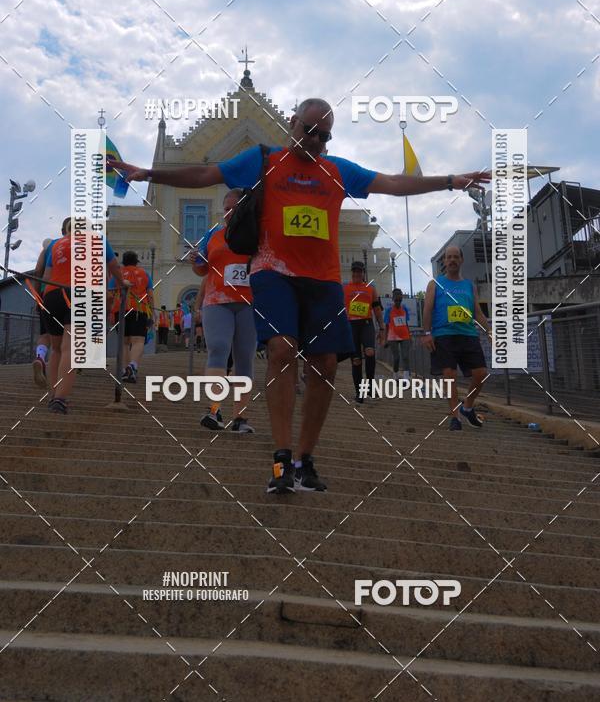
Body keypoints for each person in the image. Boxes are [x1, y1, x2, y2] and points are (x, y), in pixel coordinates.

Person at [114, 97, 489, 491]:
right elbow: (206, 173)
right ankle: (280, 458)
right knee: (281, 349)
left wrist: (449, 180)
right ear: (292, 123)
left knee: (325, 365)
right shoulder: (263, 160)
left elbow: (393, 183)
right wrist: (147, 174)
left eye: (323, 135)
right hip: (272, 272)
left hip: (323, 280)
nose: (314, 140)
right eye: (308, 130)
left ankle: (303, 459)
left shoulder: (337, 170)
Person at [38, 219, 125, 413]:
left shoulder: (55, 244)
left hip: (52, 295)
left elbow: (46, 276)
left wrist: (42, 300)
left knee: (56, 349)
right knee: (71, 348)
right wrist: (122, 283)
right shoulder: (98, 240)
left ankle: (54, 394)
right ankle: (60, 399)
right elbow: (114, 268)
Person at [192, 190, 256, 435]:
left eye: (234, 208)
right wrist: (196, 261)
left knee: (244, 357)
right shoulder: (213, 235)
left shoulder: (257, 234)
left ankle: (240, 417)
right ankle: (214, 410)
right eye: (226, 208)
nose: (229, 213)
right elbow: (203, 269)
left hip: (249, 302)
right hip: (217, 300)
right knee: (218, 348)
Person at [421, 245, 491, 430]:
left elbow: (477, 312)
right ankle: (455, 416)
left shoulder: (469, 285)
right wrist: (427, 333)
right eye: (448, 257)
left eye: (455, 257)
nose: (451, 260)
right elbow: (427, 310)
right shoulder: (435, 284)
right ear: (444, 261)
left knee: (481, 374)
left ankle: (467, 407)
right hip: (444, 335)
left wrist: (489, 331)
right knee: (450, 375)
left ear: (461, 260)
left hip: (468, 334)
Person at [108, 251, 154, 384]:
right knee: (138, 341)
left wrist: (110, 312)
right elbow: (150, 294)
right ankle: (133, 366)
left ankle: (124, 371)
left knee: (124, 342)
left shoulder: (117, 274)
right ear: (136, 261)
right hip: (139, 310)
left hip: (120, 310)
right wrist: (152, 311)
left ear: (123, 261)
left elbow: (110, 295)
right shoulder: (145, 274)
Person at [343, 260, 385, 403]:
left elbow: (377, 309)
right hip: (351, 326)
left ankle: (371, 386)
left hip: (366, 324)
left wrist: (382, 327)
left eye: (359, 271)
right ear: (352, 272)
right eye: (354, 271)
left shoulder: (370, 288)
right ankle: (359, 393)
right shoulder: (345, 288)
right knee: (356, 361)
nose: (357, 273)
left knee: (370, 352)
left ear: (363, 273)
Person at [31, 237, 56, 388]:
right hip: (70, 296)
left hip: (47, 296)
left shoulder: (47, 250)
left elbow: (37, 271)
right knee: (64, 340)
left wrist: (37, 296)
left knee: (45, 334)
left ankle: (40, 357)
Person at [384, 288, 411, 381]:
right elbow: (387, 326)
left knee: (406, 356)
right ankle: (395, 374)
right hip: (392, 336)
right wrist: (385, 339)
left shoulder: (405, 309)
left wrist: (409, 335)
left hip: (404, 335)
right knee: (396, 358)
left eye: (400, 300)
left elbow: (406, 323)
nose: (398, 302)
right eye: (396, 300)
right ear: (393, 299)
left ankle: (406, 377)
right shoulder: (388, 310)